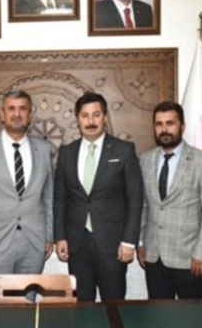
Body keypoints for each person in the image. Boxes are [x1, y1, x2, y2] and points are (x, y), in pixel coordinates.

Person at [54, 92, 143, 301]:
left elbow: (135, 198)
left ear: (104, 117)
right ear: (78, 119)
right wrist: (60, 236)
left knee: (114, 305)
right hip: (77, 244)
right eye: (84, 116)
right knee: (81, 306)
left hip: (113, 244)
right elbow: (60, 198)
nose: (90, 121)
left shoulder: (124, 150)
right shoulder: (66, 153)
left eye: (96, 115)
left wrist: (129, 241)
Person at [0, 89, 54, 297]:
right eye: (11, 109)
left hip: (34, 243)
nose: (17, 114)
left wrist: (49, 234)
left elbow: (48, 197)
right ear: (3, 114)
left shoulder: (44, 149)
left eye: (22, 109)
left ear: (30, 115)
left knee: (28, 304)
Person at [138, 102, 202, 299]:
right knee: (157, 315)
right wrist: (141, 241)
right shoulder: (145, 159)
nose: (164, 129)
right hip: (154, 257)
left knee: (192, 316)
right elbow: (143, 205)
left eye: (170, 123)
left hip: (191, 260)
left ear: (182, 127)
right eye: (159, 124)